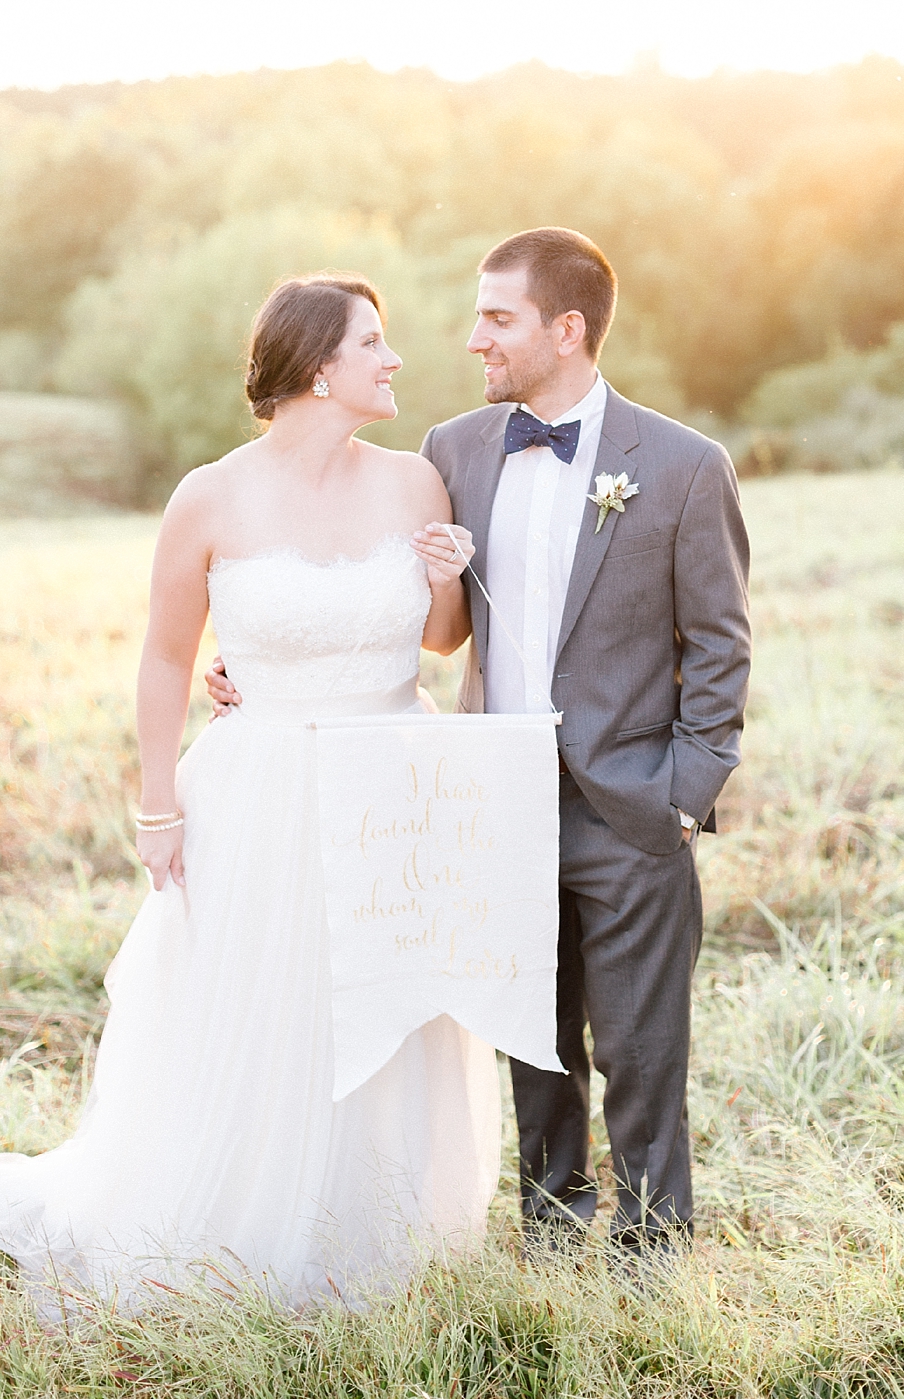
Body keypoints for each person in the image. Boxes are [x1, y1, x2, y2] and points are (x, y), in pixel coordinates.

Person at [0, 275, 502, 1312]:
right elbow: (162, 659)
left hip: (388, 782)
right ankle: (241, 1222)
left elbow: (439, 637)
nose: (393, 359)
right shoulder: (208, 494)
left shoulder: (415, 482)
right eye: (372, 342)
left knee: (381, 997)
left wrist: (450, 571)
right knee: (266, 1001)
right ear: (317, 365)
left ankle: (377, 1225)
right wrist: (156, 802)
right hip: (259, 785)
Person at [208, 229, 751, 1256]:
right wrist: (253, 664)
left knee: (640, 1042)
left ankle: (651, 1249)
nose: (471, 340)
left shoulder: (681, 467)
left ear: (566, 328)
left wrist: (684, 790)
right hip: (485, 800)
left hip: (631, 800)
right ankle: (549, 1227)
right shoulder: (451, 452)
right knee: (529, 1031)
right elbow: (397, 597)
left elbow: (720, 646)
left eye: (494, 319)